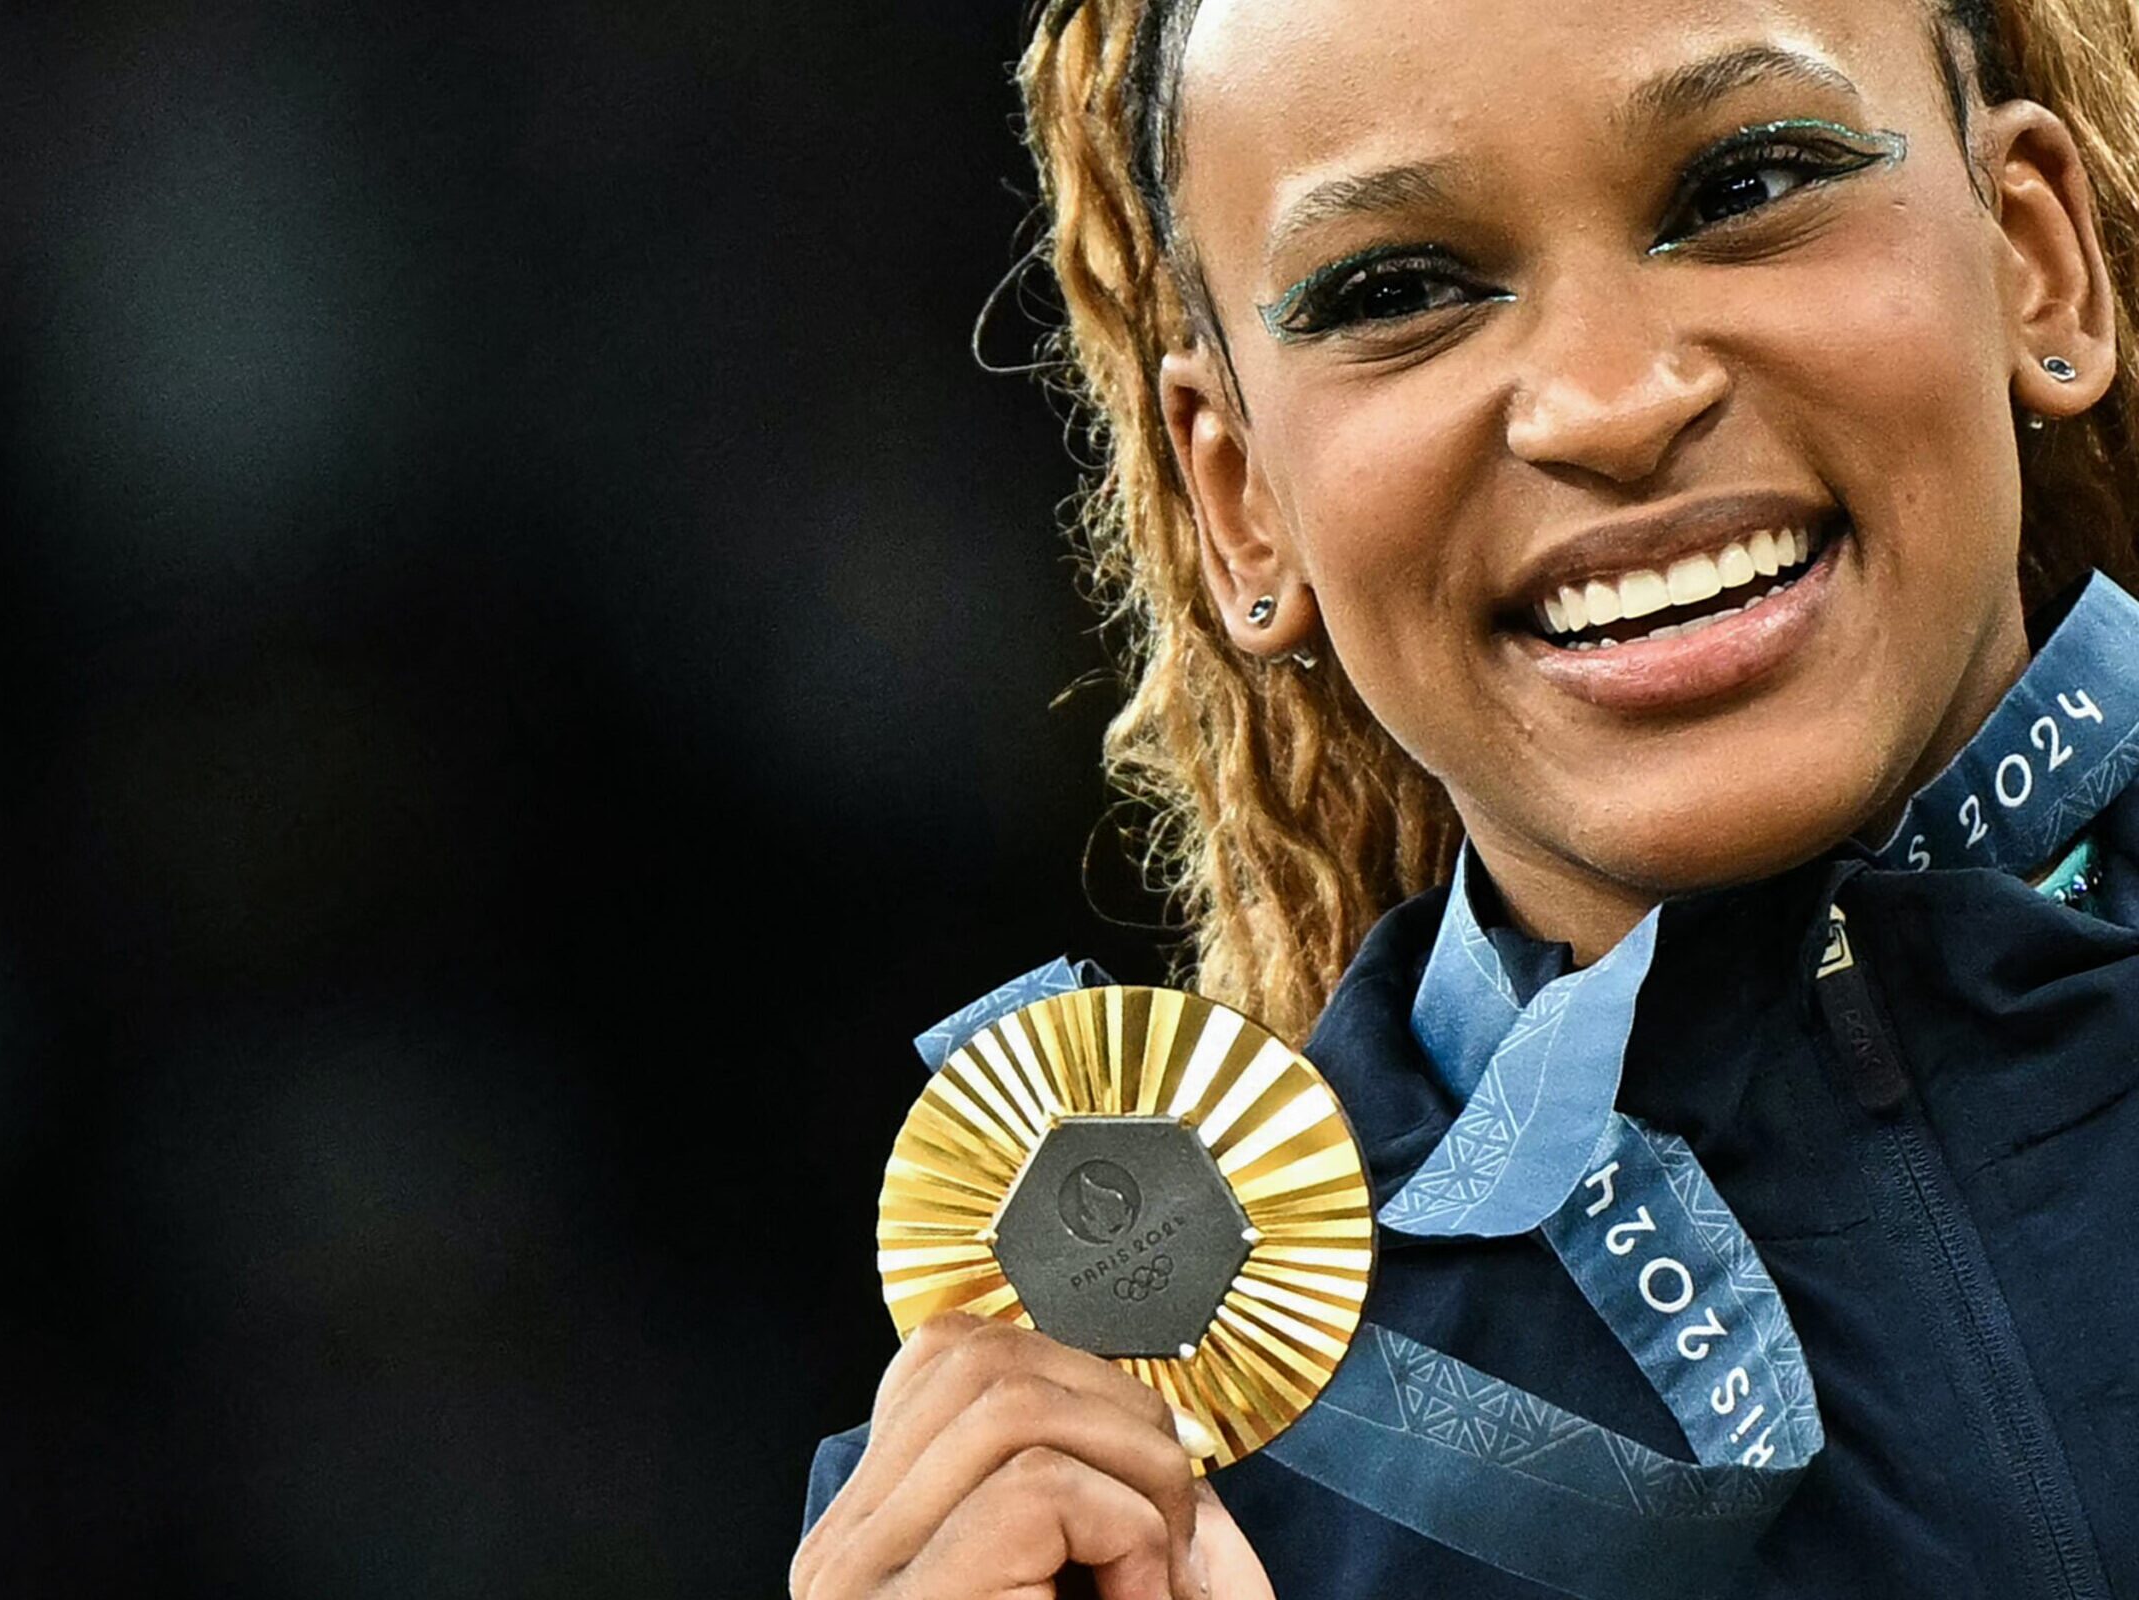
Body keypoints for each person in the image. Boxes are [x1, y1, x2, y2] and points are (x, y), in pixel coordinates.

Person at [790, 0, 2139, 1594]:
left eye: (1745, 186)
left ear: (2034, 261)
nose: (1612, 400)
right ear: (1242, 505)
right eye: (1399, 291)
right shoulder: (1118, 1494)